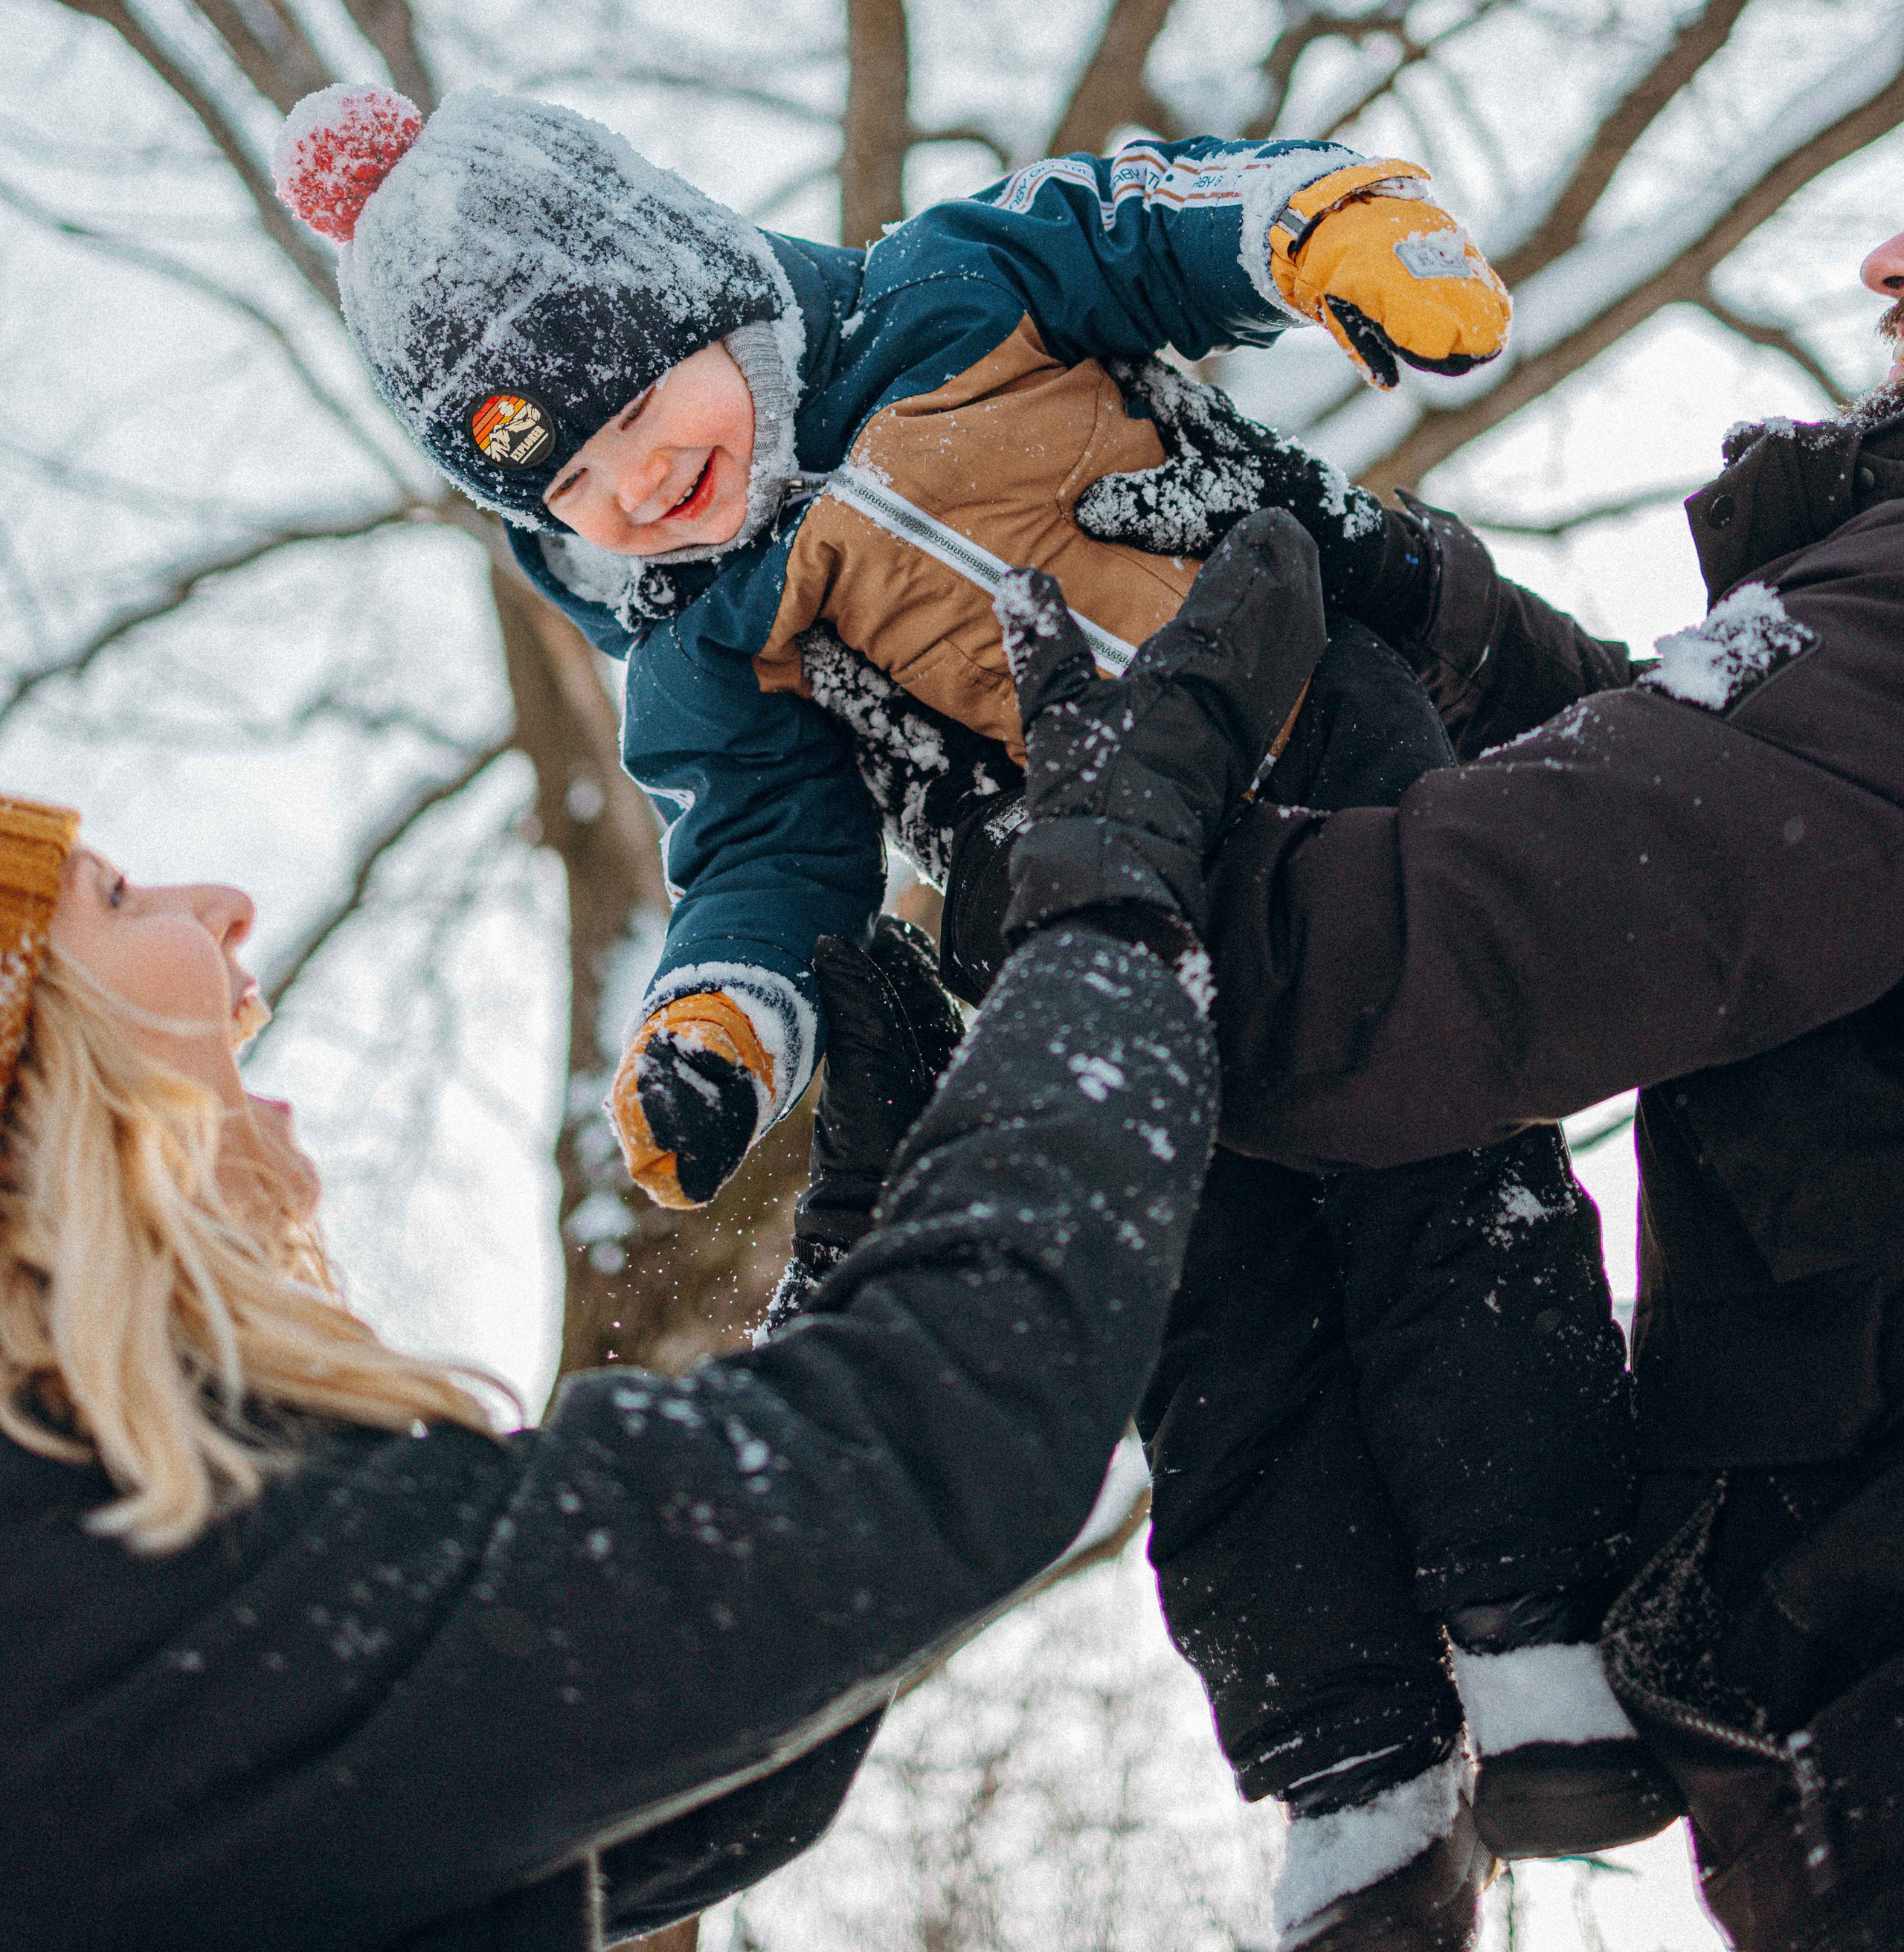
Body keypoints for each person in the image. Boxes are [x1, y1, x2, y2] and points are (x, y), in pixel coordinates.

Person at [270, 87, 1652, 1928]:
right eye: (564, 484)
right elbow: (763, 851)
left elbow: (1164, 218)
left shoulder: (955, 283)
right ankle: (1349, 1769)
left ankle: (1540, 1629)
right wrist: (724, 1024)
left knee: (1437, 1175)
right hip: (1067, 899)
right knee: (1210, 1324)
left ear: (700, 287)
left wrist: (1325, 233)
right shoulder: (702, 641)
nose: (624, 485)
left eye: (631, 409)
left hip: (1305, 738)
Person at [0, 517, 1319, 1952]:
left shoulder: (128, 1583)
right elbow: (919, 1473)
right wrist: (1112, 897)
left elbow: (700, 1750)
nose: (226, 905)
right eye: (113, 900)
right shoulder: (105, 1597)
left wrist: (858, 1234)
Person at [939, 221, 1904, 1949]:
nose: (1881, 260)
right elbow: (1746, 810)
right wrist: (1414, 595)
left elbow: (1574, 907)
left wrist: (1116, 883)